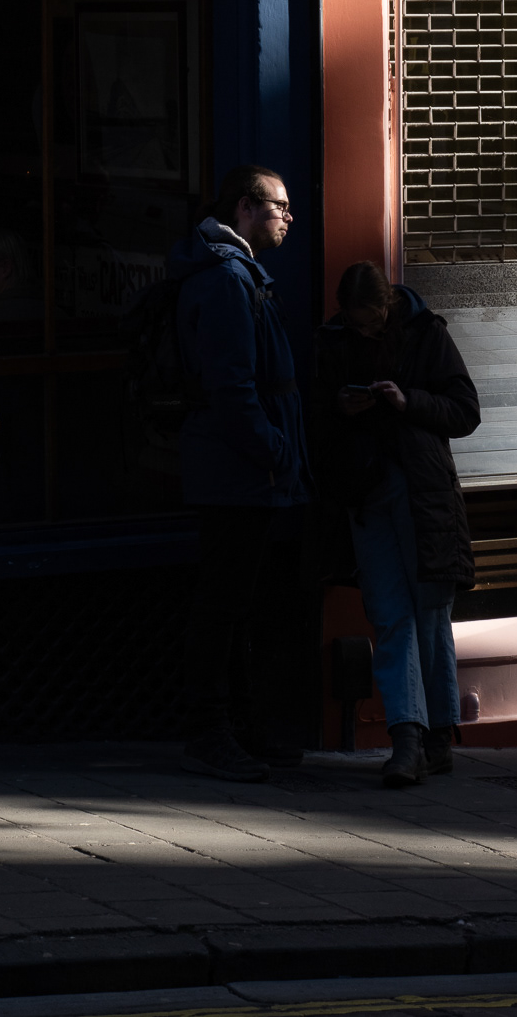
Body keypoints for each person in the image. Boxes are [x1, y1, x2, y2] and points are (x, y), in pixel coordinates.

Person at [169, 164, 310, 782]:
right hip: (239, 476)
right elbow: (233, 388)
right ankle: (210, 732)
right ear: (248, 209)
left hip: (243, 473)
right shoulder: (228, 279)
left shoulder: (236, 273)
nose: (288, 217)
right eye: (280, 206)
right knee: (224, 606)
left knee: (237, 603)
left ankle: (242, 728)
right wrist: (275, 451)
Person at [315, 261, 480, 787]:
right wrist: (340, 406)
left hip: (420, 493)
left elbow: (465, 411)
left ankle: (435, 735)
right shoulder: (333, 340)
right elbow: (312, 415)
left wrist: (408, 401)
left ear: (387, 308)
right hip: (367, 494)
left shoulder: (427, 333)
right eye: (355, 323)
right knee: (390, 615)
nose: (364, 331)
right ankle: (407, 738)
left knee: (429, 612)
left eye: (370, 322)